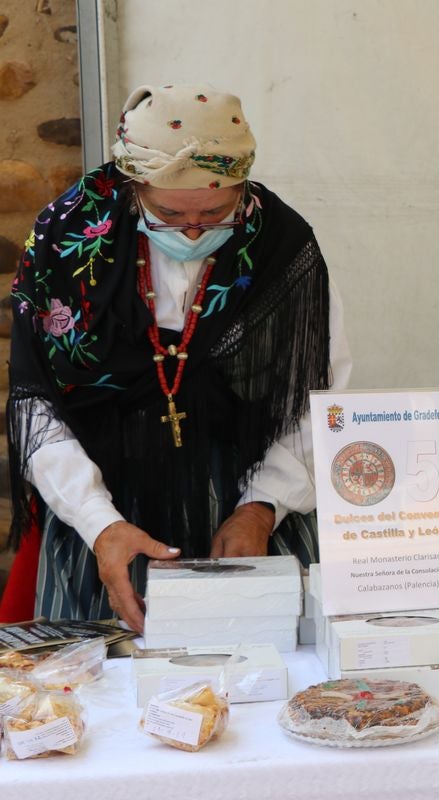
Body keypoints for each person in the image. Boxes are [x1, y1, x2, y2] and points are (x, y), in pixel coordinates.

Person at [6, 84, 351, 632]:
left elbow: (316, 394)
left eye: (216, 213)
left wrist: (263, 506)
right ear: (134, 184)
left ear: (241, 186)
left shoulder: (281, 245)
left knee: (264, 670)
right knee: (105, 684)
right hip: (104, 499)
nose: (193, 230)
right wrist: (99, 524)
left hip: (245, 498)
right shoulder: (65, 242)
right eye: (168, 213)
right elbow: (37, 404)